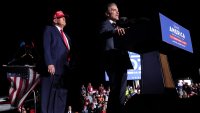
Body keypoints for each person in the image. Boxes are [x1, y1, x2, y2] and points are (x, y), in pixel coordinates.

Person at [98, 2, 133, 113]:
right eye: (114, 9)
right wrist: (115, 31)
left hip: (122, 60)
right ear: (107, 13)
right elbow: (103, 33)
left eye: (117, 9)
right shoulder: (105, 24)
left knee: (121, 90)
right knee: (115, 89)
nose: (117, 11)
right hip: (112, 60)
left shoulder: (120, 26)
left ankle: (119, 109)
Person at [41, 10, 73, 113]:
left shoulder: (67, 37)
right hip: (52, 69)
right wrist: (49, 63)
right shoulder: (49, 29)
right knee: (48, 97)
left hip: (64, 72)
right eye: (61, 17)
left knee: (61, 97)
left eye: (65, 17)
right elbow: (46, 47)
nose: (64, 18)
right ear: (55, 19)